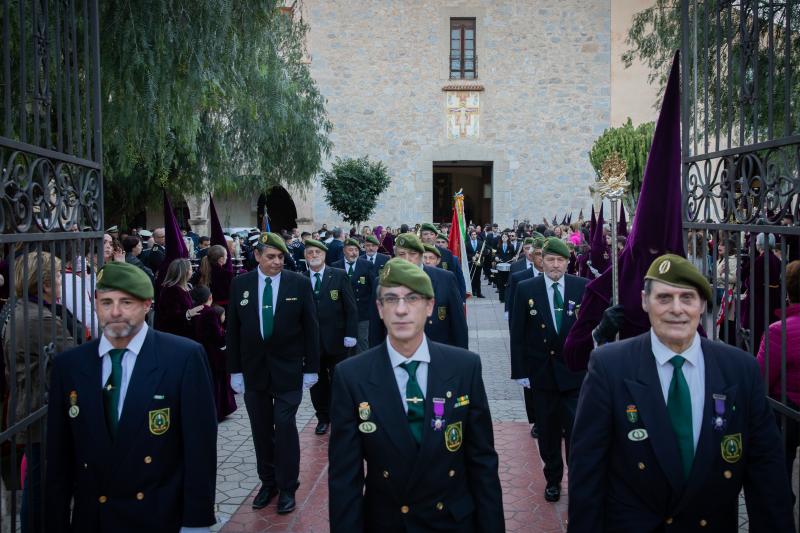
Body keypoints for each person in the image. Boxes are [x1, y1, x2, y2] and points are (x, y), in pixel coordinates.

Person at [569, 254, 795, 531]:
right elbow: (587, 471)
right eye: (664, 298)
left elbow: (767, 474)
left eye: (687, 298)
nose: (676, 309)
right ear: (644, 301)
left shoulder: (740, 369)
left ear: (703, 304)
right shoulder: (609, 366)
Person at [328, 258, 505, 532]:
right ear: (379, 308)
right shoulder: (352, 376)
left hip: (453, 521)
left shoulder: (464, 367)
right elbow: (344, 478)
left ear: (430, 306)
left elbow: (482, 462)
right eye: (391, 299)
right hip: (389, 523)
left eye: (412, 298)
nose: (401, 310)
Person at [45, 261, 217, 533]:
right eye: (106, 302)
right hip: (95, 520)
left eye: (126, 302)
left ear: (147, 305)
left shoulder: (182, 357)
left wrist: (196, 522)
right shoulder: (71, 365)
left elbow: (200, 447)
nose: (115, 312)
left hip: (158, 515)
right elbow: (59, 457)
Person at [226, 232, 320, 514]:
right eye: (271, 257)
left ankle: (288, 486)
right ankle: (268, 482)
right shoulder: (240, 284)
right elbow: (233, 330)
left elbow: (311, 328)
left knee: (285, 425)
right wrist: (234, 370)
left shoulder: (298, 283)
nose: (277, 262)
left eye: (280, 257)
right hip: (254, 370)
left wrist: (311, 368)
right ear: (257, 256)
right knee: (261, 428)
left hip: (288, 370)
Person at [510, 237, 588, 502]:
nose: (555, 265)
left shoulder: (581, 286)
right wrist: (521, 372)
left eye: (560, 260)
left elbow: (590, 328)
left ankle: (577, 480)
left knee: (576, 432)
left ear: (568, 262)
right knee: (548, 432)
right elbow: (518, 333)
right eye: (551, 259)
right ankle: (553, 479)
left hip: (574, 374)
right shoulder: (526, 288)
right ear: (541, 261)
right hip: (542, 374)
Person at [4, 252, 74, 533]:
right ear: (44, 284)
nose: (61, 281)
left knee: (38, 482)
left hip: (29, 403)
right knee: (42, 487)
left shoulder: (19, 308)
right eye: (57, 276)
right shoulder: (39, 319)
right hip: (40, 408)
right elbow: (74, 358)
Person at [369, 233, 468, 349]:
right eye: (401, 254)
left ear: (421, 255)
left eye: (412, 254)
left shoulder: (445, 279)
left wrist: (461, 356)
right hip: (397, 352)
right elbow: (375, 328)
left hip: (437, 352)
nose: (407, 259)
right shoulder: (382, 282)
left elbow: (458, 325)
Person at [302, 239, 358, 435]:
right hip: (312, 343)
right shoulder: (300, 279)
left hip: (337, 340)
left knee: (338, 380)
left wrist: (351, 334)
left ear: (324, 255)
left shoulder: (339, 275)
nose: (314, 256)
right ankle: (322, 418)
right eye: (310, 252)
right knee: (317, 383)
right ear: (305, 256)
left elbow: (351, 308)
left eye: (318, 252)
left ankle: (340, 416)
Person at [757, 259, 800, 490]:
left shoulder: (778, 331)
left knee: (780, 470)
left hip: (787, 414)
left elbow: (760, 379)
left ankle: (782, 499)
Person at [191, 285, 237, 422]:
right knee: (217, 384)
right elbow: (217, 336)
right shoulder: (210, 312)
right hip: (213, 354)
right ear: (210, 297)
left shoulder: (193, 311)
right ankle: (217, 411)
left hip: (200, 352)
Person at [332, 238, 375, 353]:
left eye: (356, 250)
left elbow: (373, 288)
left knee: (362, 342)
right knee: (343, 344)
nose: (354, 253)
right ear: (344, 251)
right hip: (342, 313)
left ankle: (363, 364)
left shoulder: (367, 265)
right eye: (351, 250)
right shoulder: (335, 266)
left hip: (362, 313)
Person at [155, 258, 203, 339]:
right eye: (191, 269)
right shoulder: (172, 290)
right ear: (185, 272)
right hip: (175, 336)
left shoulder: (184, 286)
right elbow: (170, 316)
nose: (192, 271)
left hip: (183, 334)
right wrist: (188, 313)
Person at [420, 223, 466, 302]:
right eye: (425, 234)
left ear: (436, 236)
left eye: (431, 234)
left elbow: (454, 279)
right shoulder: (415, 253)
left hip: (443, 296)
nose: (428, 237)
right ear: (421, 236)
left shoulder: (446, 253)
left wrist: (460, 299)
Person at [465, 229, 485, 298]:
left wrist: (479, 255)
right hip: (471, 262)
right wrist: (472, 257)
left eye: (475, 234)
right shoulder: (467, 243)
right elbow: (466, 254)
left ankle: (479, 293)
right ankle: (473, 291)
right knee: (472, 277)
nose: (473, 236)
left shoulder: (481, 243)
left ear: (476, 235)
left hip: (479, 263)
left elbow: (485, 252)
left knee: (478, 278)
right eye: (472, 235)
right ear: (470, 236)